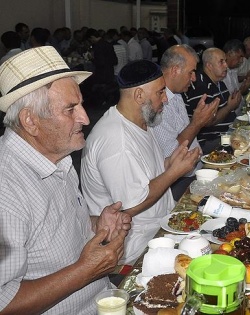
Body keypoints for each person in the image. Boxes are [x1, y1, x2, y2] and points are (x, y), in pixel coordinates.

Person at [0, 46, 131, 314]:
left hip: (103, 301)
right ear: (30, 121)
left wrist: (97, 224)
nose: (84, 118)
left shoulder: (57, 155)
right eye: (70, 109)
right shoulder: (6, 190)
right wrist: (84, 271)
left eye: (81, 104)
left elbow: (51, 237)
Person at [80, 60, 201, 264]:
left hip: (160, 226)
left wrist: (169, 163)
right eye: (160, 92)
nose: (165, 99)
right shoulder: (116, 141)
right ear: (138, 95)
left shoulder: (141, 121)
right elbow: (132, 204)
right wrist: (174, 173)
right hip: (136, 247)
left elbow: (146, 174)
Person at [153, 45, 219, 200]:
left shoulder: (176, 94)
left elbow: (185, 134)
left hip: (195, 169)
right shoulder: (158, 103)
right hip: (177, 182)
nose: (194, 78)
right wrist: (197, 123)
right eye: (191, 72)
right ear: (175, 70)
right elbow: (171, 155)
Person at [184, 47, 242, 153]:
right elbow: (207, 122)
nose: (226, 65)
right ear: (209, 66)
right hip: (210, 141)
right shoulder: (201, 87)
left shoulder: (219, 82)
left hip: (226, 133)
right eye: (221, 62)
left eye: (225, 61)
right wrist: (230, 107)